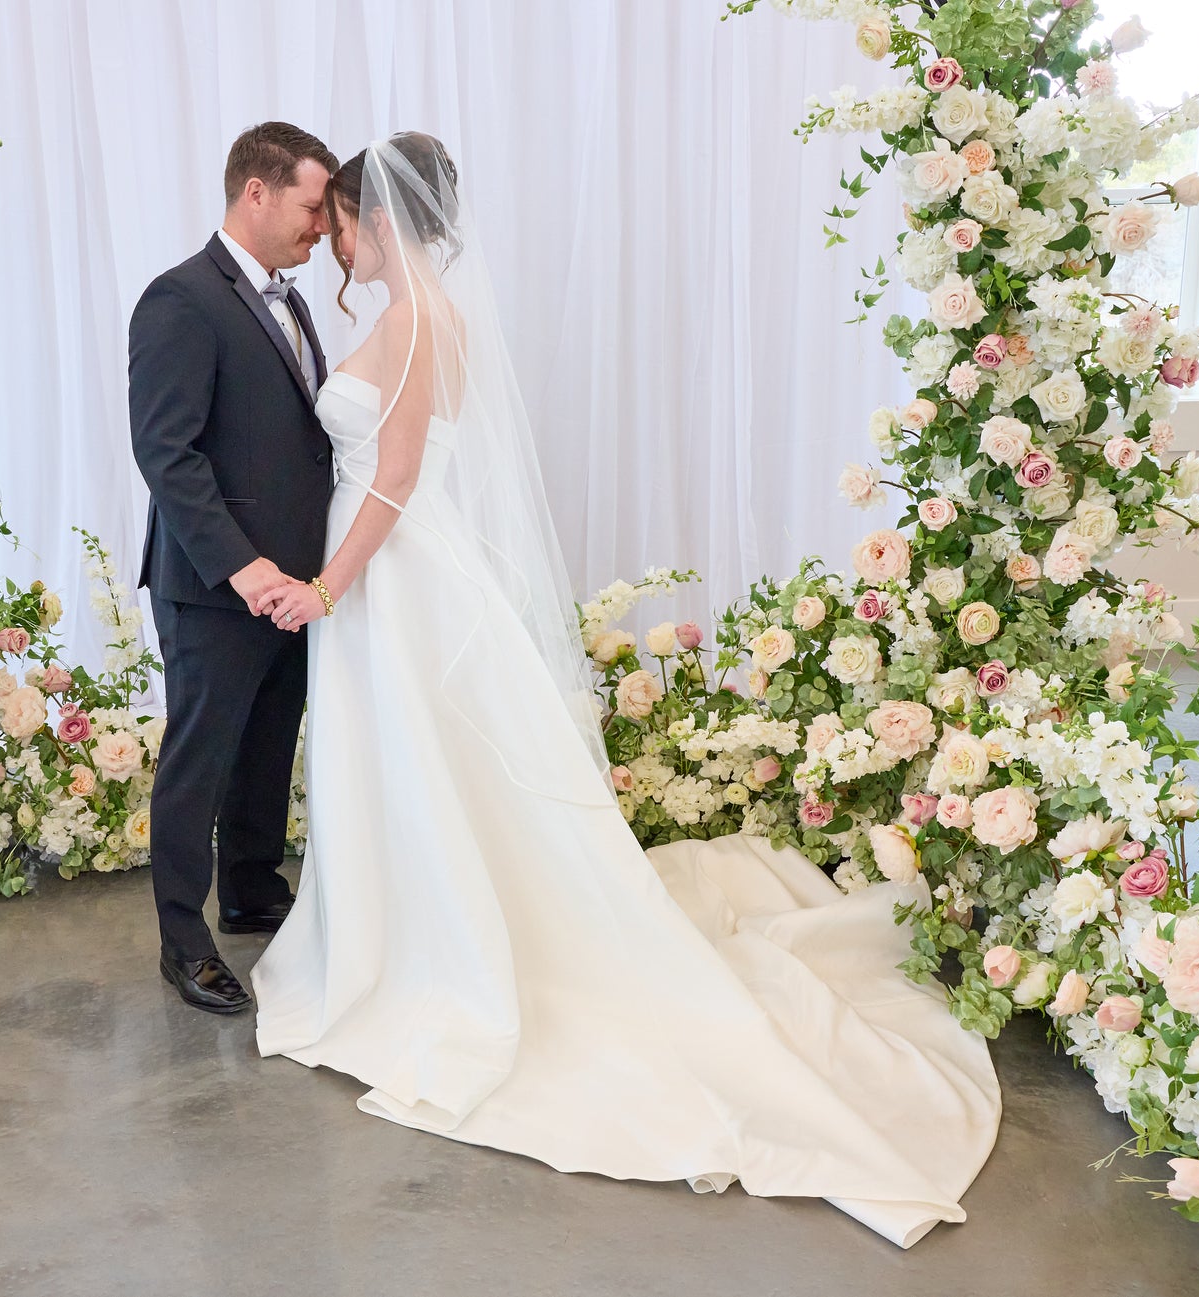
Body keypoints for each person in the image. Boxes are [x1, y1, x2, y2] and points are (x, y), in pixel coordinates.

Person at [249, 133, 1003, 1247]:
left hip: (393, 578)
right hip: (397, 579)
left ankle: (418, 948)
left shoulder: (412, 320)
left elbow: (397, 481)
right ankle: (398, 919)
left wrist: (323, 586)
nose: (331, 244)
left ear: (380, 221)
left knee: (417, 762)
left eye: (341, 223)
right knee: (413, 768)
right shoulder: (417, 316)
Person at [127, 122, 337, 1014]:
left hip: (293, 586)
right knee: (200, 759)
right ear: (257, 191)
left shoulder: (289, 298)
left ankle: (251, 887)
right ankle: (182, 938)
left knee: (265, 747)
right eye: (312, 204)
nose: (324, 225)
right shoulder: (179, 299)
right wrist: (243, 568)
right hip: (217, 587)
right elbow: (166, 453)